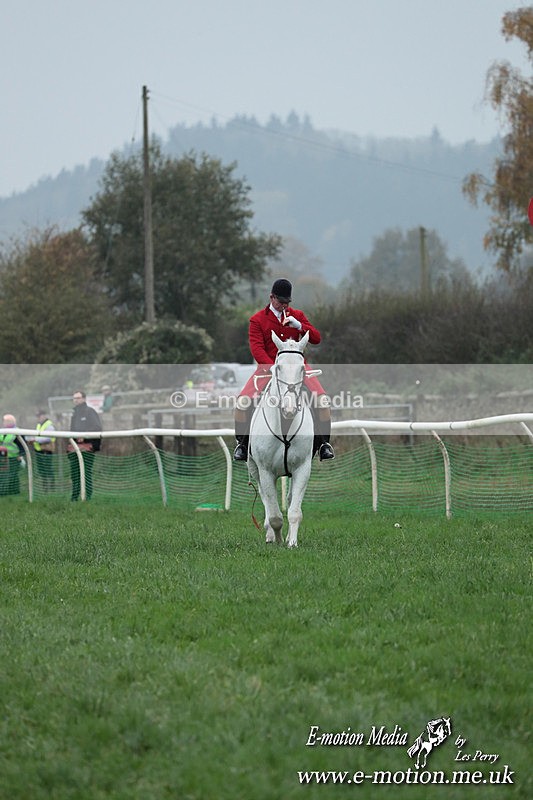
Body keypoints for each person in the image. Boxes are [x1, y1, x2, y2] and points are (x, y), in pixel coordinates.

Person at [233, 278, 335, 462]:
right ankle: (242, 444)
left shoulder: (297, 315)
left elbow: (317, 338)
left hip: (298, 368)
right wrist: (273, 368)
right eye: (281, 302)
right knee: (242, 403)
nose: (284, 306)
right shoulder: (257, 320)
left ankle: (323, 444)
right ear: (272, 297)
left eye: (287, 302)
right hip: (268, 368)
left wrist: (300, 326)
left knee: (323, 402)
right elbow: (257, 349)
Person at [68, 390, 102, 501]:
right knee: (75, 474)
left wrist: (85, 436)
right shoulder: (74, 414)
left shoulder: (90, 412)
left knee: (86, 473)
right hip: (75, 448)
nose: (76, 400)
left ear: (84, 399)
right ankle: (74, 497)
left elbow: (97, 427)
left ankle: (88, 497)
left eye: (78, 398)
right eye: (74, 398)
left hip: (87, 448)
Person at [26, 410, 56, 492]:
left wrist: (35, 439)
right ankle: (45, 486)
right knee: (42, 469)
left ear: (44, 416)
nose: (38, 418)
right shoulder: (39, 425)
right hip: (39, 450)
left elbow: (48, 438)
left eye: (39, 416)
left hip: (46, 450)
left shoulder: (49, 425)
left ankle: (51, 486)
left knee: (48, 468)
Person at [0, 414, 25, 496]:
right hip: (3, 458)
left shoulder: (17, 432)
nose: (3, 423)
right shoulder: (3, 431)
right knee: (3, 475)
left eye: (5, 421)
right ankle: (3, 492)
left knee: (13, 475)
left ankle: (14, 492)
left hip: (14, 457)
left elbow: (22, 445)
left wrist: (21, 455)